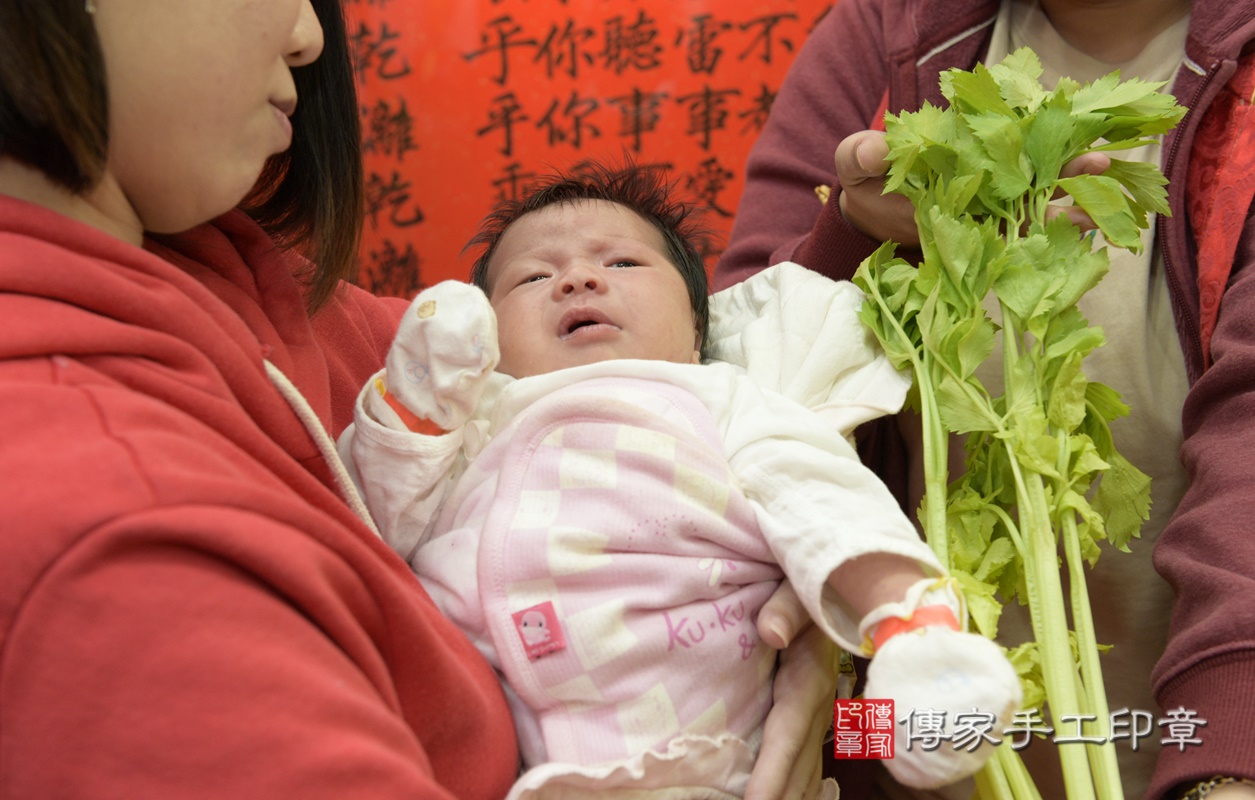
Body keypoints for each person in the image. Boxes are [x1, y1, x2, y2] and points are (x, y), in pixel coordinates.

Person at [0, 3, 838, 798]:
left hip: (788, 704)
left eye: (623, 264)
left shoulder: (246, 279)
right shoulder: (117, 544)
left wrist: (824, 582)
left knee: (930, 730)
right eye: (534, 274)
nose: (308, 37)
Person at [339, 160, 1024, 797]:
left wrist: (911, 626)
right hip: (500, 760)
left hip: (709, 757)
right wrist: (412, 416)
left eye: (622, 262)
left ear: (697, 328)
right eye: (531, 277)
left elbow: (825, 504)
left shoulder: (721, 402)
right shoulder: (475, 424)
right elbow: (372, 532)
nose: (577, 279)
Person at [714, 1, 1255, 799]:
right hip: (909, 760)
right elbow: (731, 388)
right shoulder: (888, 36)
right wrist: (853, 234)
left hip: (1196, 743)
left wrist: (1228, 757)